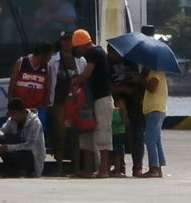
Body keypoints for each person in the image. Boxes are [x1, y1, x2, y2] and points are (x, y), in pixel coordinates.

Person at [71, 29, 113, 178]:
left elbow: (87, 74)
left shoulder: (95, 53)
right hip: (90, 99)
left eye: (77, 48)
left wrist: (74, 81)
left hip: (102, 99)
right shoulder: (91, 54)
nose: (78, 51)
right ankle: (88, 169)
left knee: (102, 132)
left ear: (82, 45)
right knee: (86, 132)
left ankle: (103, 170)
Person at [48, 32, 87, 175]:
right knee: (60, 133)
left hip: (76, 103)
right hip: (59, 102)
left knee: (75, 136)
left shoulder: (81, 60)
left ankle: (76, 168)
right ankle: (59, 167)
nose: (66, 43)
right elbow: (49, 82)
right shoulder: (53, 61)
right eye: (63, 40)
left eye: (69, 40)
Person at [108, 45, 145, 177]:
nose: (113, 55)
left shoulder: (131, 62)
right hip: (116, 102)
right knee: (117, 136)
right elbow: (107, 84)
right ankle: (119, 166)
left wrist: (130, 87)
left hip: (134, 103)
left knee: (137, 136)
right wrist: (118, 90)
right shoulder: (107, 63)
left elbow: (137, 82)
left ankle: (137, 166)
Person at [0, 98, 46, 177]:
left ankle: (27, 171)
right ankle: (12, 170)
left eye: (15, 114)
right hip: (18, 149)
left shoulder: (35, 123)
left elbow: (29, 145)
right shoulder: (12, 119)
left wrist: (8, 148)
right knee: (2, 138)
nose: (13, 117)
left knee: (11, 146)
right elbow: (3, 129)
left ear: (23, 112)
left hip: (32, 155)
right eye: (12, 114)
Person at [8, 42, 54, 115]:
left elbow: (47, 90)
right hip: (20, 109)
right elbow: (11, 86)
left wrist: (44, 109)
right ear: (42, 55)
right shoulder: (21, 62)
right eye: (49, 56)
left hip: (37, 110)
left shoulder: (48, 67)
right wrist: (11, 106)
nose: (50, 58)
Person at [139, 68, 168, 178]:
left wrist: (140, 79)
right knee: (156, 140)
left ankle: (153, 168)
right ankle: (158, 168)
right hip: (154, 109)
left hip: (155, 109)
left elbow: (152, 87)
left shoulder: (156, 72)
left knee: (149, 140)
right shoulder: (152, 72)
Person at [110, 97, 128, 178]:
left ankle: (115, 169)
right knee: (119, 152)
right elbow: (125, 123)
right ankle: (118, 169)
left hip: (114, 134)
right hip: (121, 134)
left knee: (113, 152)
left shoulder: (113, 112)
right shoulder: (124, 112)